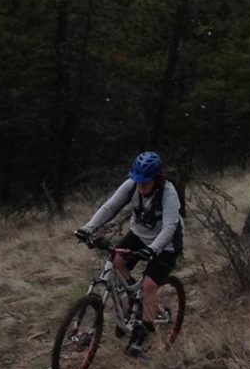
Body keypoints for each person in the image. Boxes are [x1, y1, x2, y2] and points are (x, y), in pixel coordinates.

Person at [78, 151, 183, 357]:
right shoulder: (131, 185)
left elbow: (170, 227)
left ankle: (143, 335)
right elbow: (109, 207)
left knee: (149, 285)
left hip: (166, 243)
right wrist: (89, 227)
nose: (141, 186)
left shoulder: (169, 193)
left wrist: (153, 249)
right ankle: (134, 297)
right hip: (138, 235)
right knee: (116, 261)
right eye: (138, 181)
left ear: (157, 178)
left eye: (146, 182)